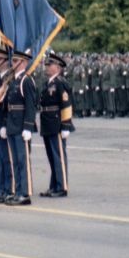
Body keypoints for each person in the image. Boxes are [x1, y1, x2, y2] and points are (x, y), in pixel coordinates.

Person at [1, 46, 38, 205]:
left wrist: (28, 127)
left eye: (16, 61)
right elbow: (6, 106)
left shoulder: (26, 81)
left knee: (23, 161)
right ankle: (18, 191)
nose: (12, 63)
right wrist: (4, 125)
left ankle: (25, 193)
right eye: (12, 60)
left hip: (21, 126)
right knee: (15, 161)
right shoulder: (13, 81)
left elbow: (31, 105)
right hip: (12, 126)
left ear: (24, 63)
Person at [38, 50, 74, 197]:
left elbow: (66, 105)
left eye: (50, 64)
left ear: (58, 68)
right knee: (52, 156)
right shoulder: (48, 83)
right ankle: (54, 185)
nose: (47, 66)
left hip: (57, 123)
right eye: (47, 64)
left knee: (58, 155)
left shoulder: (60, 83)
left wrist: (66, 125)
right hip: (47, 122)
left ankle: (62, 186)